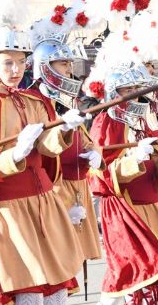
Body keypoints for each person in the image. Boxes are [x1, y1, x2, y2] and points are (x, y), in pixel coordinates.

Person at [0, 0, 87, 305]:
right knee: (28, 295)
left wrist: (64, 131)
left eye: (21, 61)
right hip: (9, 211)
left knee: (56, 292)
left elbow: (49, 148)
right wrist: (14, 155)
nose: (16, 69)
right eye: (8, 62)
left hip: (45, 203)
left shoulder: (34, 99)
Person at [88, 61, 158, 305]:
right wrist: (134, 159)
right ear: (114, 93)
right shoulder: (105, 121)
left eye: (137, 88)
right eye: (128, 90)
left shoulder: (146, 119)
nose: (135, 94)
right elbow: (100, 174)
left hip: (153, 200)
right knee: (135, 267)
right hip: (125, 205)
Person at [29, 18, 104, 268]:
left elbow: (84, 136)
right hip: (54, 188)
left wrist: (94, 152)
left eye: (69, 63)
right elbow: (43, 149)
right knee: (58, 264)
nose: (69, 70)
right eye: (63, 63)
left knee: (72, 263)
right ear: (45, 66)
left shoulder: (67, 98)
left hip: (77, 185)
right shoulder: (35, 99)